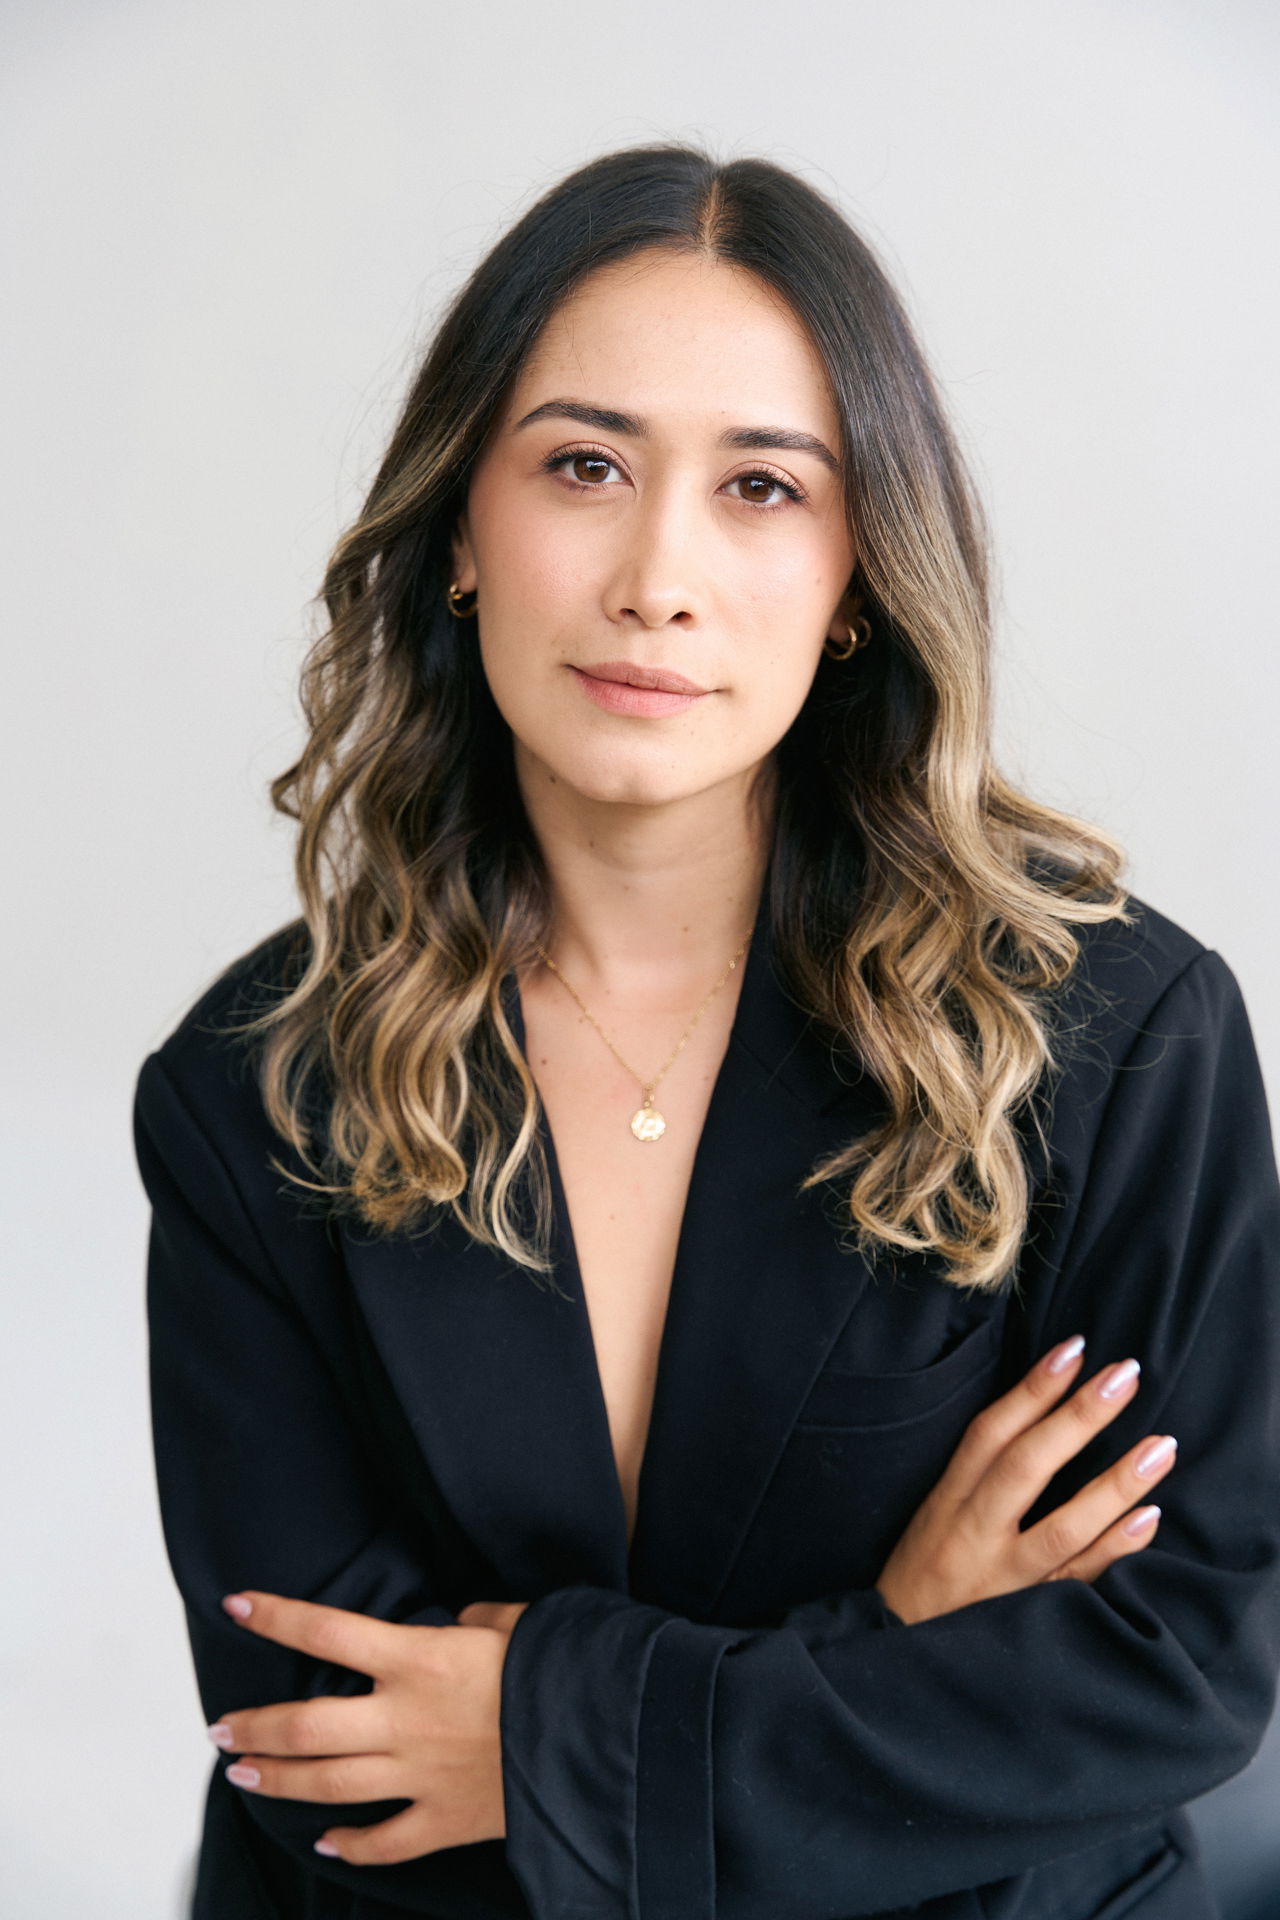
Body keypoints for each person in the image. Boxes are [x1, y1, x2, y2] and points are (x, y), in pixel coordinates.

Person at [132, 144, 1280, 1920]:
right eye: (584, 466)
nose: (656, 577)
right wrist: (890, 1641)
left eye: (761, 487)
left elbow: (1172, 1663)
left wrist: (543, 1740)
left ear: (857, 576)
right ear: (461, 530)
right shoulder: (254, 1088)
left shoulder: (1115, 1034)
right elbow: (323, 1756)